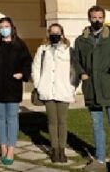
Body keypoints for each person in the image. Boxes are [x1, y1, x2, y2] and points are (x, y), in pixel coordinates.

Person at [74, 5, 110, 172]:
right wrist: (82, 74)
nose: (97, 20)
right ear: (89, 18)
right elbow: (76, 61)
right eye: (94, 17)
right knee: (96, 125)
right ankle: (99, 161)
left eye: (100, 17)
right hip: (91, 88)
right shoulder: (81, 40)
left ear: (104, 19)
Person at [0, 16, 32, 166]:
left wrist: (22, 73)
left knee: (12, 118)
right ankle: (3, 147)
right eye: (1, 27)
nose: (4, 29)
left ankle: (11, 149)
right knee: (0, 118)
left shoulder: (20, 44)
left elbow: (27, 61)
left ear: (12, 27)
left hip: (13, 86)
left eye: (6, 26)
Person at [32, 23, 79, 163]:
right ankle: (55, 150)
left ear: (62, 34)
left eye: (57, 32)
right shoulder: (43, 50)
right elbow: (35, 68)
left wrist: (72, 88)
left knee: (62, 121)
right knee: (52, 121)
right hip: (48, 90)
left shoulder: (69, 50)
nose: (55, 35)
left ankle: (62, 150)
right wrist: (39, 86)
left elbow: (75, 71)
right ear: (48, 34)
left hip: (64, 90)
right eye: (52, 32)